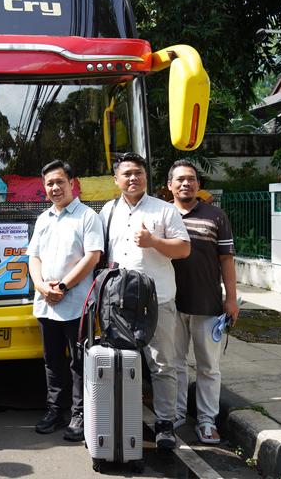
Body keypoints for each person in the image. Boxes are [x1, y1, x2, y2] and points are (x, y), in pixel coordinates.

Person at [99, 152, 190, 450]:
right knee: (121, 364)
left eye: (138, 172)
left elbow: (184, 249)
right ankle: (123, 420)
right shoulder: (107, 212)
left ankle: (165, 424)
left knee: (163, 364)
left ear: (146, 177)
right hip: (119, 304)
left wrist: (154, 242)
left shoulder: (164, 211)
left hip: (158, 301)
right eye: (126, 174)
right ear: (116, 180)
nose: (132, 178)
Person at [28, 160, 104, 442]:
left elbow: (92, 257)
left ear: (72, 183)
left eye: (60, 181)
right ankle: (55, 411)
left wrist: (61, 286)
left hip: (77, 305)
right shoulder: (43, 218)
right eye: (49, 183)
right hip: (46, 303)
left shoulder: (87, 216)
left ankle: (80, 413)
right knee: (52, 361)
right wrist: (40, 286)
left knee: (79, 361)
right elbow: (33, 257)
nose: (55, 187)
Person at [168, 160, 239, 445]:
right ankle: (176, 413)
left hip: (208, 304)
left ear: (199, 185)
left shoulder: (216, 216)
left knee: (209, 366)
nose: (186, 183)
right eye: (180, 179)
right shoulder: (162, 215)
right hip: (169, 304)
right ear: (170, 185)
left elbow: (226, 260)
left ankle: (207, 420)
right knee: (174, 364)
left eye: (192, 179)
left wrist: (231, 298)